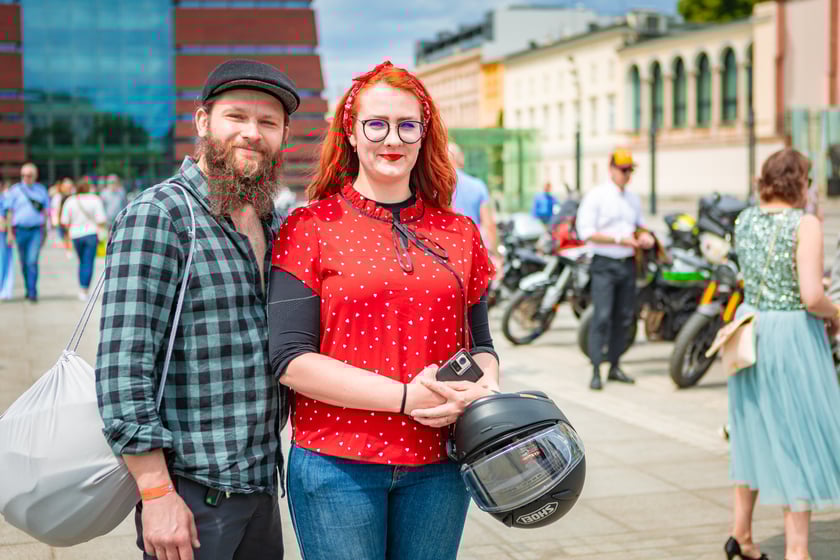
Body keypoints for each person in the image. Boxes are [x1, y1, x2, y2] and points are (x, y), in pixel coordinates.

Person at [269, 60, 499, 560]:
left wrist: (483, 388)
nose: (390, 138)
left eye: (406, 125)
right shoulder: (309, 226)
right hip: (337, 462)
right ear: (350, 133)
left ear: (423, 135)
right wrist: (404, 398)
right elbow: (290, 359)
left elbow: (480, 345)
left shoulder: (460, 232)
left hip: (440, 464)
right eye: (376, 124)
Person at [96, 59, 299, 560]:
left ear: (283, 135)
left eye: (267, 123)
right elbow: (123, 369)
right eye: (237, 117)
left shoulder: (272, 222)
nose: (252, 133)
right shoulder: (161, 214)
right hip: (191, 490)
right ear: (204, 122)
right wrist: (157, 493)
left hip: (258, 483)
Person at [726, 148, 840, 560]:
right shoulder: (803, 223)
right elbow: (811, 296)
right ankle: (797, 550)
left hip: (750, 329)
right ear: (799, 182)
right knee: (797, 435)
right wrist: (836, 312)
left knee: (751, 430)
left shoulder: (745, 219)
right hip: (790, 335)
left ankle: (741, 535)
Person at [575, 148, 654, 390]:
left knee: (625, 317)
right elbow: (586, 232)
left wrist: (646, 237)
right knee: (602, 316)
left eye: (630, 170)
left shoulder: (632, 199)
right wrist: (620, 240)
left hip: (627, 263)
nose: (627, 175)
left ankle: (615, 365)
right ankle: (597, 368)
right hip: (605, 263)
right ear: (611, 170)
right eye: (623, 170)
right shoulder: (597, 196)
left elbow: (638, 226)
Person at [4, 163, 49, 303]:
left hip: (36, 230)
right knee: (23, 262)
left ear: (35, 176)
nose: (26, 178)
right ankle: (27, 288)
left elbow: (46, 212)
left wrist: (46, 231)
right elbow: (9, 212)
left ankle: (32, 292)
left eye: (29, 175)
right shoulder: (15, 190)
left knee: (32, 261)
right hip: (20, 230)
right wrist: (9, 233)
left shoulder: (41, 190)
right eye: (23, 175)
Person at [60, 176, 106, 301]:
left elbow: (64, 221)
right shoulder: (95, 200)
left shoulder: (70, 200)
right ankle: (84, 288)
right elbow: (101, 219)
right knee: (88, 262)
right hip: (91, 233)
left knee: (82, 262)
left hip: (75, 235)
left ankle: (82, 286)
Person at [448, 142, 498, 253]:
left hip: (446, 250)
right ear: (460, 159)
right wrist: (495, 254)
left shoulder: (434, 187)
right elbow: (489, 224)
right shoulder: (477, 186)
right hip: (472, 250)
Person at [0, 180, 14, 300]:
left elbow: (9, 216)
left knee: (4, 262)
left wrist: (10, 233)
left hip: (2, 234)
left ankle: (4, 289)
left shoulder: (5, 199)